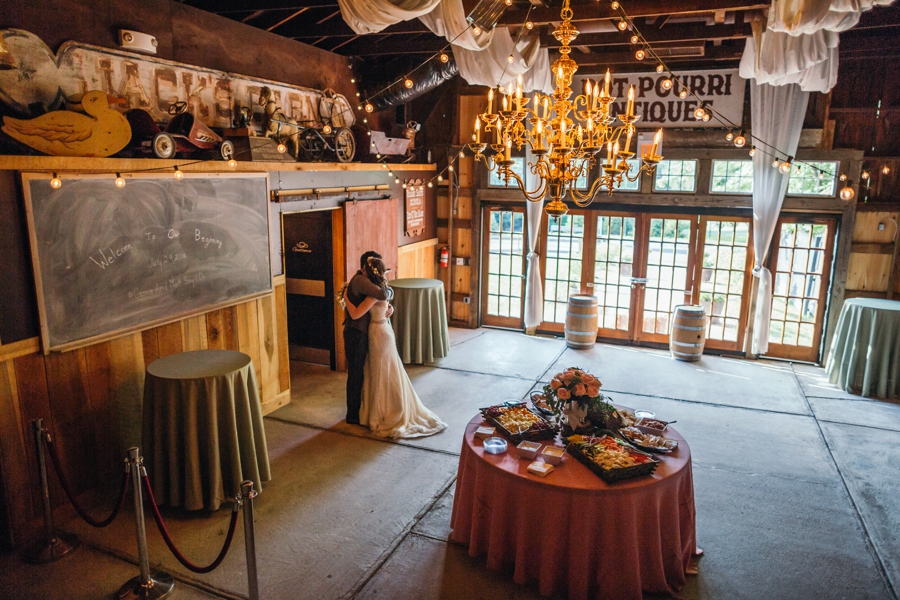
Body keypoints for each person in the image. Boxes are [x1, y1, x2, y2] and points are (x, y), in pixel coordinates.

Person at [343, 257, 447, 439]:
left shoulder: (374, 293)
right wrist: (388, 307)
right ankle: (371, 409)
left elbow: (356, 313)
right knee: (381, 371)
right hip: (380, 331)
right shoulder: (373, 286)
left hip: (378, 334)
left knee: (380, 372)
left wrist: (345, 297)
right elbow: (384, 298)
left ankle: (382, 409)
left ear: (369, 272)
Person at [343, 251, 391, 425]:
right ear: (365, 268)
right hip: (355, 333)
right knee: (356, 373)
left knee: (363, 372)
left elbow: (382, 298)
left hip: (364, 331)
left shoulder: (366, 280)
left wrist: (389, 308)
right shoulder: (361, 281)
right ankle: (352, 415)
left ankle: (361, 410)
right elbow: (383, 294)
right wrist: (346, 299)